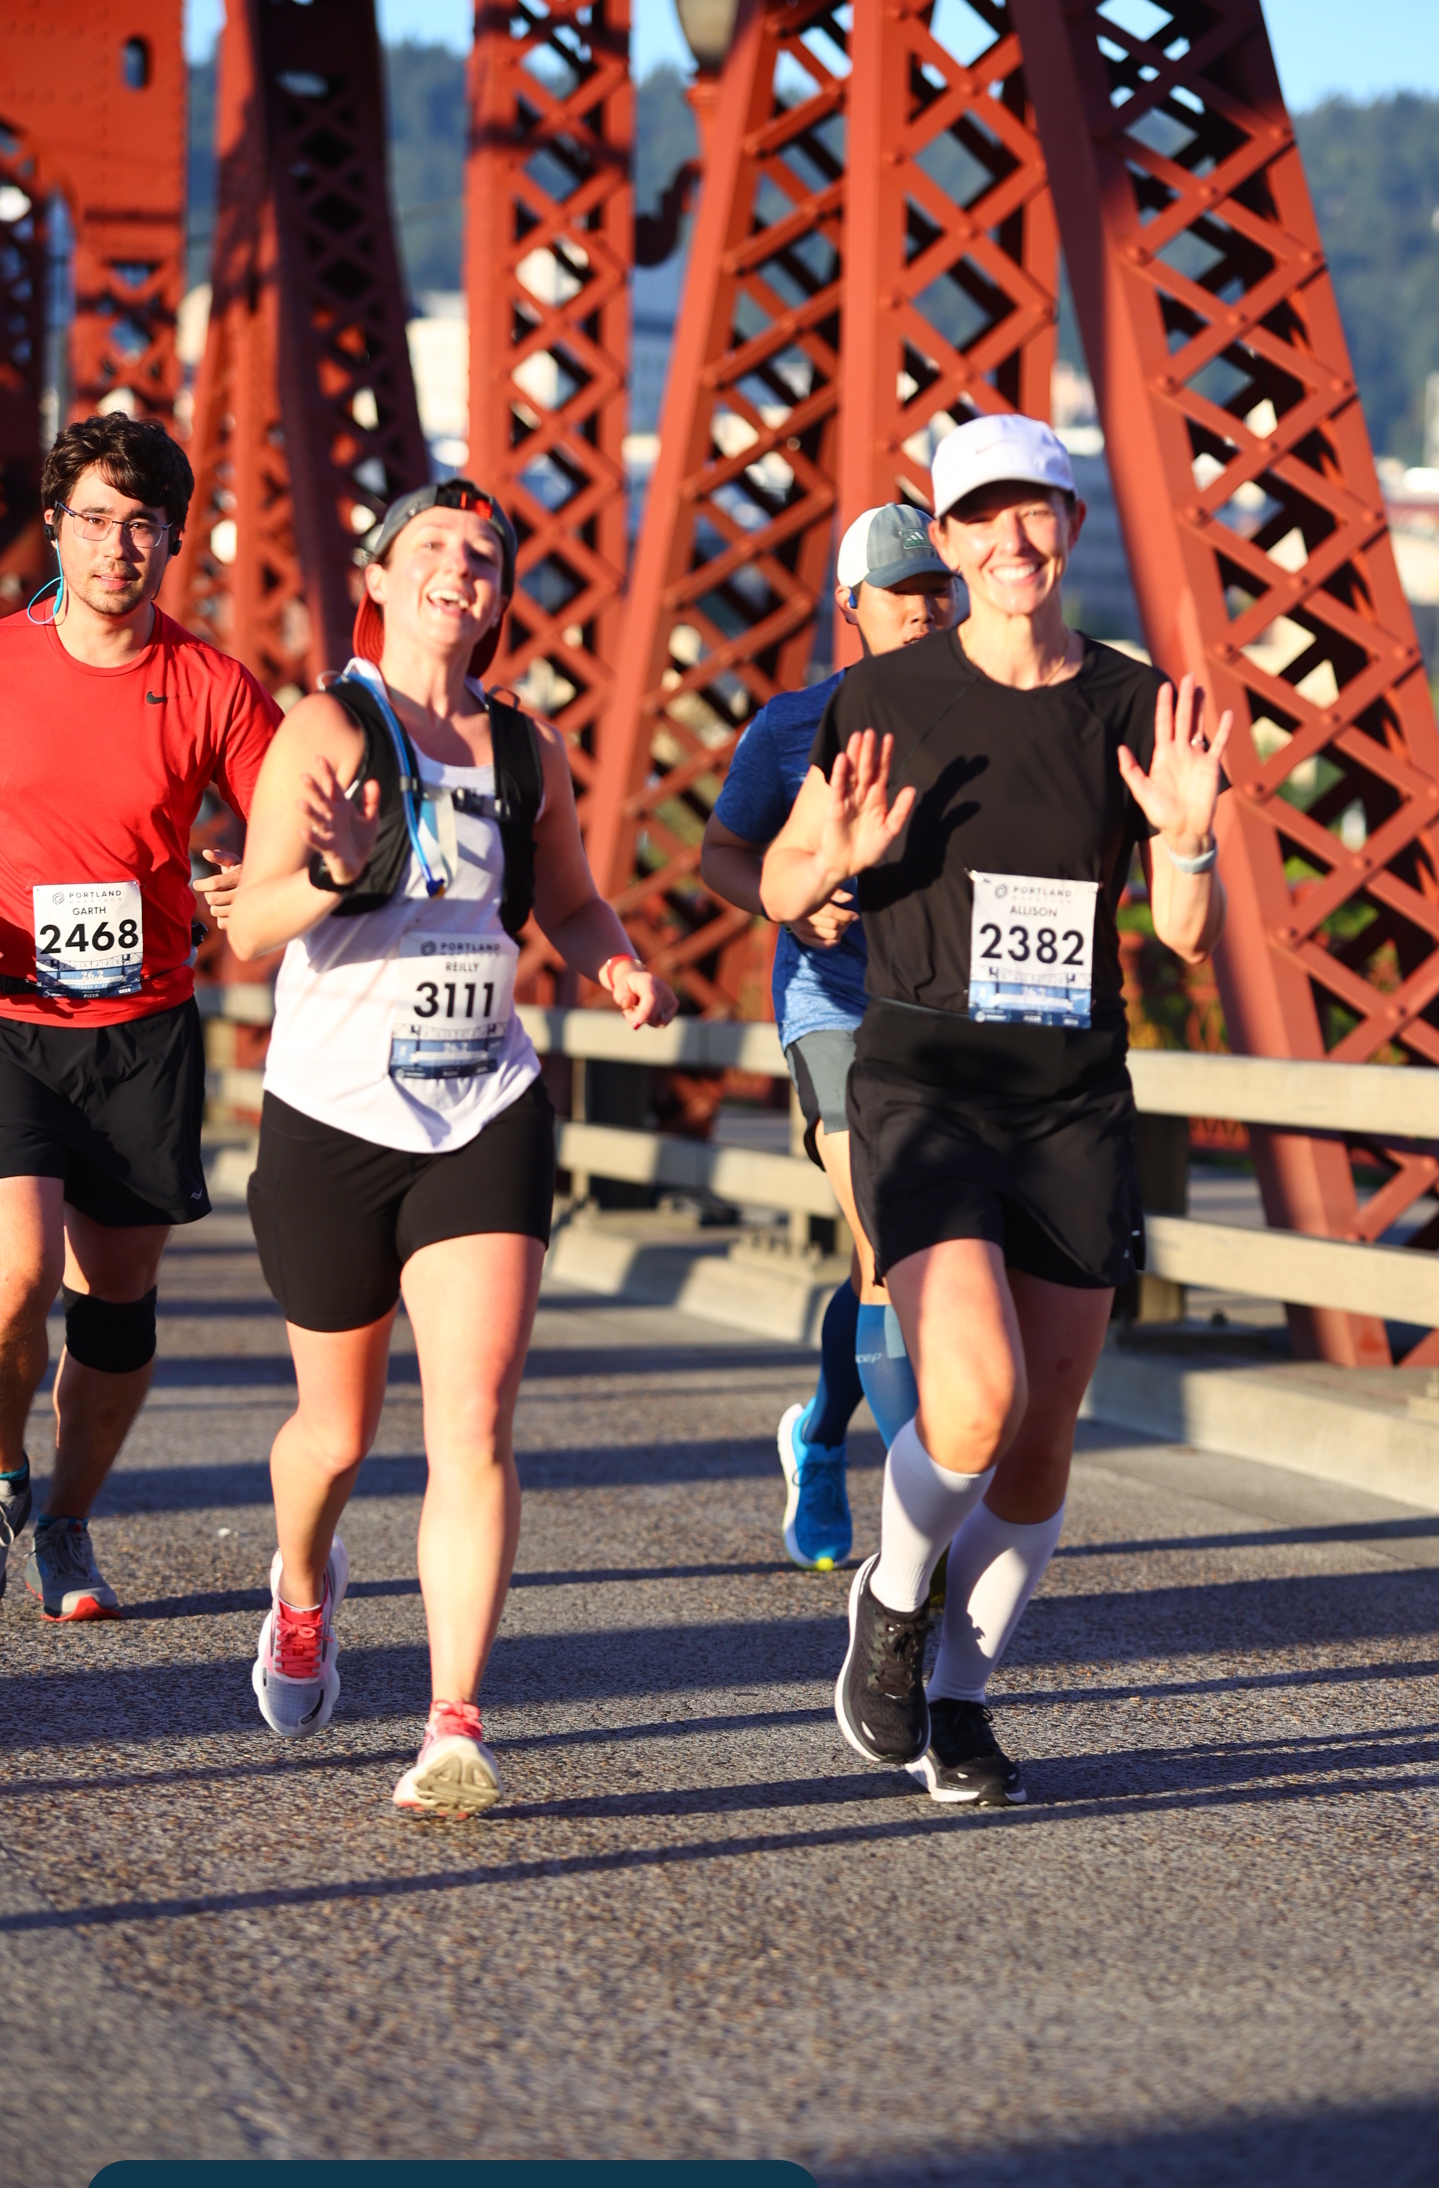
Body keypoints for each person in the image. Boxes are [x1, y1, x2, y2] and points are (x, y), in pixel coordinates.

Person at [760, 414, 1229, 1805]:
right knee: (972, 1401)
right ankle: (895, 1598)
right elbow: (781, 881)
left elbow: (1189, 935)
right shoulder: (886, 695)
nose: (1012, 539)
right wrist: (830, 858)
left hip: (1072, 1104)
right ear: (951, 544)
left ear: (1070, 529)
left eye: (1037, 513)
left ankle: (958, 1703)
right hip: (924, 1091)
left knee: (1038, 1446)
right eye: (982, 518)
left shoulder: (1135, 704)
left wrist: (1191, 839)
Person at [229, 478, 677, 1818]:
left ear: (497, 596)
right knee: (335, 1433)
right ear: (380, 575)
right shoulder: (327, 726)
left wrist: (615, 963)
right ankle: (300, 1586)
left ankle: (453, 1723)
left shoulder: (526, 747)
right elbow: (249, 926)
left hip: (482, 1106)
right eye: (432, 545)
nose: (460, 568)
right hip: (332, 1114)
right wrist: (332, 870)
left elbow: (574, 904)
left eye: (484, 554)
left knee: (472, 1421)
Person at [0, 412, 273, 1620]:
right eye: (96, 520)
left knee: (114, 1304)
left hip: (143, 1028)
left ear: (171, 540)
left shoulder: (212, 684)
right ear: (55, 527)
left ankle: (64, 1519)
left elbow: (292, 832)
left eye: (142, 525)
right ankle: (0, 1472)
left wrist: (252, 879)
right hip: (10, 1015)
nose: (117, 547)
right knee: (15, 1277)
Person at [700, 503, 957, 1570]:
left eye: (936, 589)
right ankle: (925, 1531)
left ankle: (816, 1433)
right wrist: (791, 904)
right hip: (835, 1003)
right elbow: (723, 855)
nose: (923, 610)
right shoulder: (792, 725)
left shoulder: (993, 719)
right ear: (851, 606)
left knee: (895, 1259)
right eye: (900, 594)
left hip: (947, 1014)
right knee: (891, 1239)